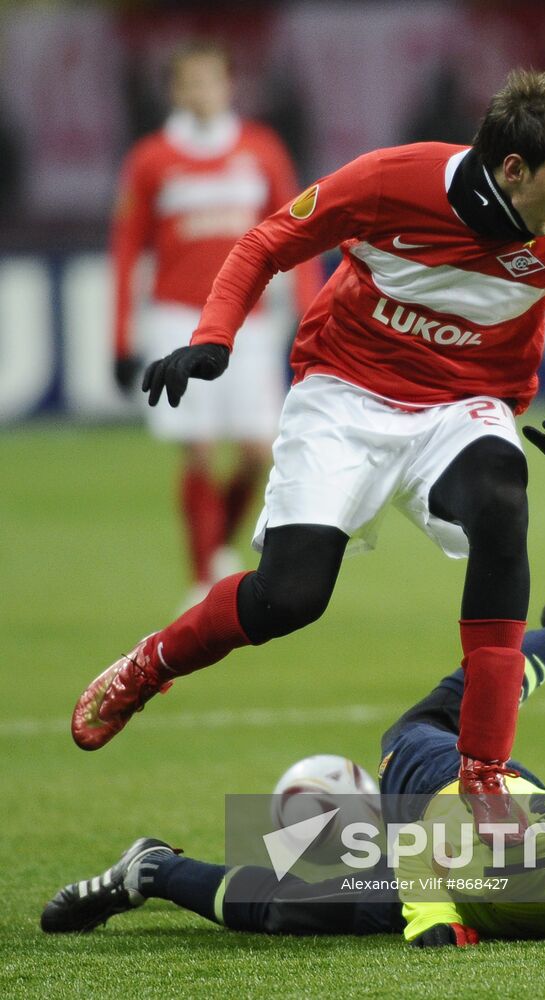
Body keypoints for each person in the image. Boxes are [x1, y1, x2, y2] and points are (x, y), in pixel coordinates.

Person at [72, 69, 545, 829]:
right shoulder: (391, 180)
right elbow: (267, 242)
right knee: (289, 600)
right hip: (343, 396)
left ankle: (481, 770)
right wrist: (213, 339)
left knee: (504, 504)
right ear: (513, 170)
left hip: (461, 411)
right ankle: (150, 665)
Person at [44, 590, 545, 942]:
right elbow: (434, 835)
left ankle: (153, 869)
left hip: (495, 802)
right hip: (436, 787)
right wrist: (435, 921)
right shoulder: (513, 846)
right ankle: (152, 870)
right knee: (436, 726)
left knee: (313, 902)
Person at [111, 40, 323, 609]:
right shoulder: (152, 158)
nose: (200, 93)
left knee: (258, 451)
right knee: (198, 448)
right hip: (178, 318)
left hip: (251, 321)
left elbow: (298, 228)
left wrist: (310, 303)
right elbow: (128, 245)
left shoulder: (260, 149)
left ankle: (218, 547)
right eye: (189, 83)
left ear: (229, 86)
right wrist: (120, 335)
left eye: (210, 81)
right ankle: (202, 577)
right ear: (175, 91)